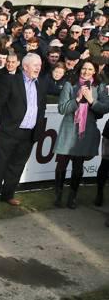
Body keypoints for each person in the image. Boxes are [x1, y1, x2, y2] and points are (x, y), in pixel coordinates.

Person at [0, 53, 47, 206]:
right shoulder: (11, 81)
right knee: (0, 164)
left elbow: (41, 107)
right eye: (35, 65)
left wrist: (38, 129)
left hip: (29, 133)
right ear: (25, 66)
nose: (38, 68)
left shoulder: (41, 84)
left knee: (17, 165)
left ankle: (8, 195)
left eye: (39, 65)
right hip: (9, 131)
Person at [52, 60, 109, 208]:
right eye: (84, 68)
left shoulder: (100, 86)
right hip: (69, 129)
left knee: (78, 166)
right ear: (80, 69)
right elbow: (62, 109)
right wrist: (77, 99)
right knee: (61, 164)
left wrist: (91, 100)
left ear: (95, 71)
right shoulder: (69, 84)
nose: (86, 72)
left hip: (86, 131)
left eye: (90, 69)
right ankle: (58, 196)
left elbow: (105, 108)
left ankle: (72, 197)